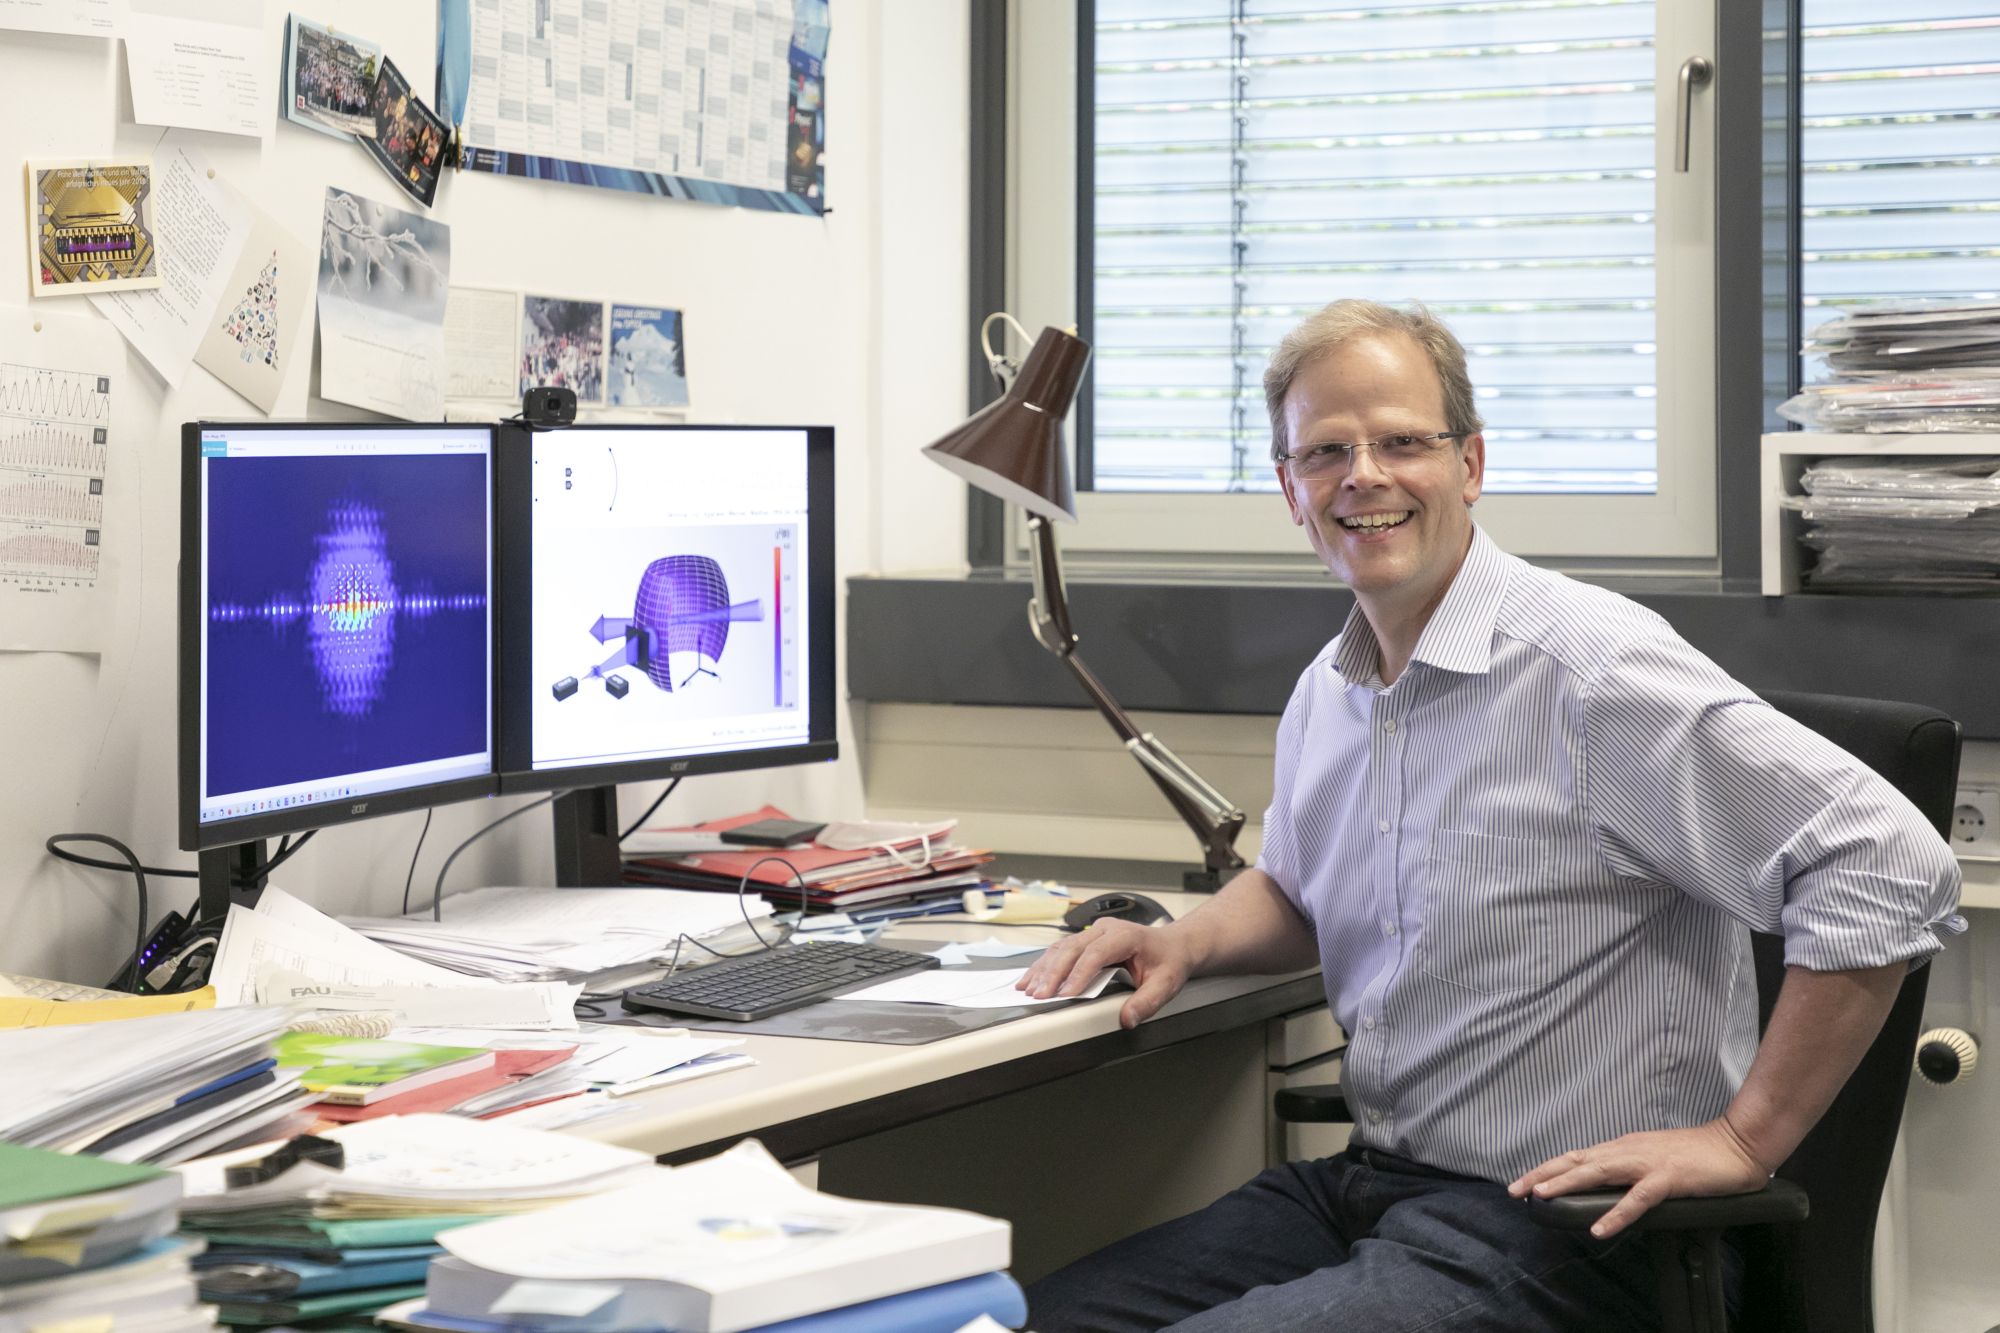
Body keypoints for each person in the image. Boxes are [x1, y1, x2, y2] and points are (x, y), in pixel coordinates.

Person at [1018, 299, 1963, 1332]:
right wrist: (1181, 943)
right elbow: (1297, 888)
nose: (1361, 475)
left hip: (1580, 1229)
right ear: (1290, 490)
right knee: (1024, 1321)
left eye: (1400, 441)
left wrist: (1744, 1139)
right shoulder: (1330, 690)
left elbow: (1885, 858)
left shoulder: (1586, 670)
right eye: (1324, 450)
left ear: (1467, 464)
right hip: (1372, 1185)